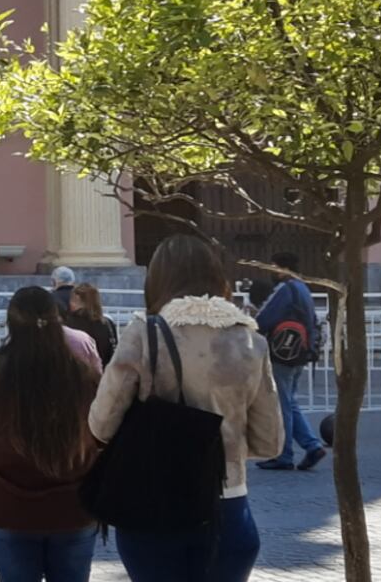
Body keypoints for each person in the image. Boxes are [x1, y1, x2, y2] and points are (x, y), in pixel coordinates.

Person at [90, 235, 283, 582]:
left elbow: (102, 424)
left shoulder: (143, 335)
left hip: (156, 502)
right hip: (230, 508)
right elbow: (270, 442)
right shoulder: (252, 341)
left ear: (158, 279)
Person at [0, 287, 102, 582]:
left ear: (11, 323)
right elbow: (103, 431)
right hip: (73, 506)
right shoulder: (84, 377)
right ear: (57, 319)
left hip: (8, 507)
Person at [254, 253, 327, 473]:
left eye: (274, 267)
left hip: (282, 354)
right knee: (290, 401)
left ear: (284, 268)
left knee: (281, 404)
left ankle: (283, 455)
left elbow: (264, 319)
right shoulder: (303, 288)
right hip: (299, 352)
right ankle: (312, 445)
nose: (272, 272)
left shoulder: (286, 289)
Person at [66, 283, 117, 369]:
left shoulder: (69, 324)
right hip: (103, 376)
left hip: (77, 375)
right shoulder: (108, 324)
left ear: (77, 299)